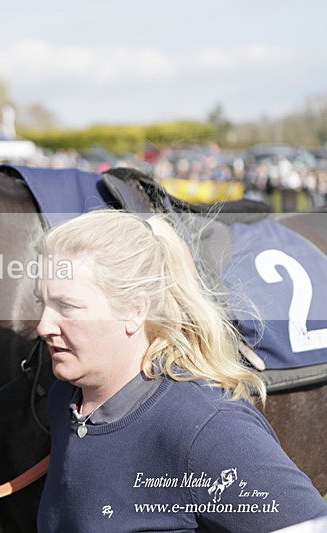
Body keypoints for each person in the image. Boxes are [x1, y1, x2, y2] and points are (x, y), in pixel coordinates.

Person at [34, 210, 327, 532]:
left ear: (134, 310)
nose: (43, 326)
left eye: (67, 307)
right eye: (43, 303)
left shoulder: (207, 429)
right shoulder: (66, 398)